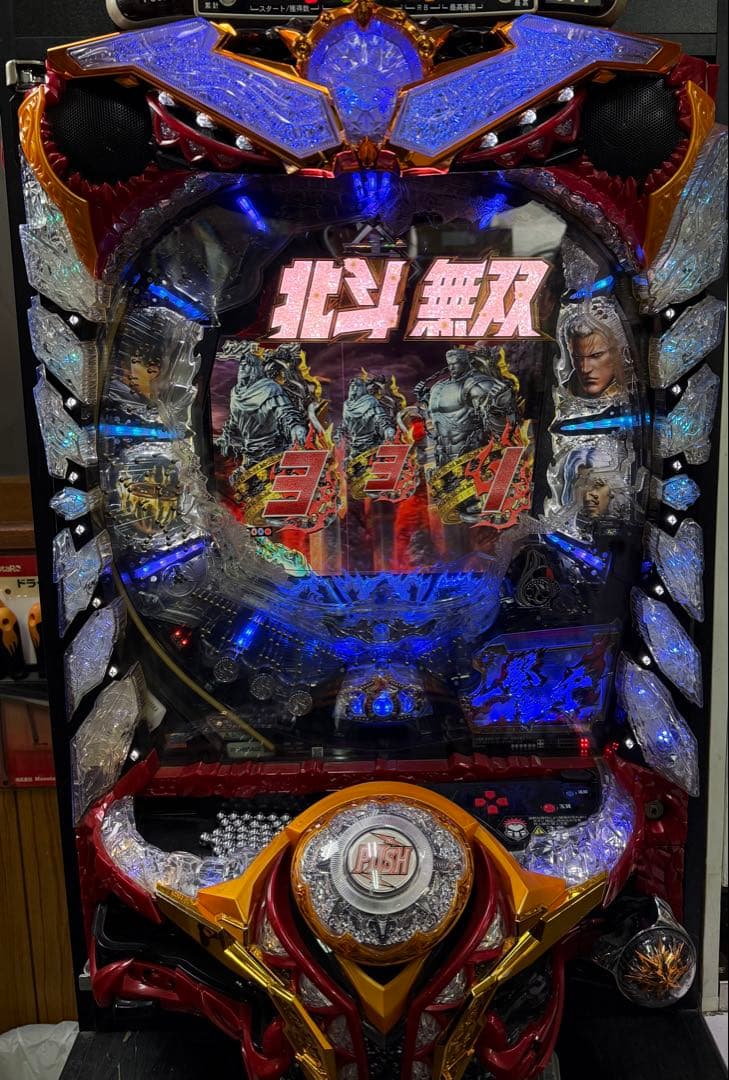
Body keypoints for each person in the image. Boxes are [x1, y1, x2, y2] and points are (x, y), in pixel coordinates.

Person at [416, 347, 518, 467]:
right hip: (442, 458)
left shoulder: (478, 385)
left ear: (465, 362)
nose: (452, 368)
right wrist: (424, 398)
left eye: (455, 364)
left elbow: (502, 428)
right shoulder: (438, 387)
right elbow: (437, 417)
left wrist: (499, 406)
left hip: (473, 457)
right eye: (450, 364)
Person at [217, 342, 308, 466]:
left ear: (255, 369)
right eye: (241, 365)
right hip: (249, 453)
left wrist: (296, 427)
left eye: (247, 365)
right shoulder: (235, 393)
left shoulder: (269, 388)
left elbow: (285, 412)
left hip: (271, 450)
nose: (242, 368)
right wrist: (226, 437)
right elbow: (234, 420)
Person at [564, 315, 625, 399]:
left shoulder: (633, 392)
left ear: (617, 352)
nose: (585, 369)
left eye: (596, 356)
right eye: (577, 357)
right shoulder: (560, 394)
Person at [340, 375, 397, 459]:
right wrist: (339, 433)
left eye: (356, 387)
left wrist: (387, 429)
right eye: (352, 387)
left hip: (369, 443)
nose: (354, 389)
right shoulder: (347, 405)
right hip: (354, 445)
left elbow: (381, 417)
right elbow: (345, 423)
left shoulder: (370, 401)